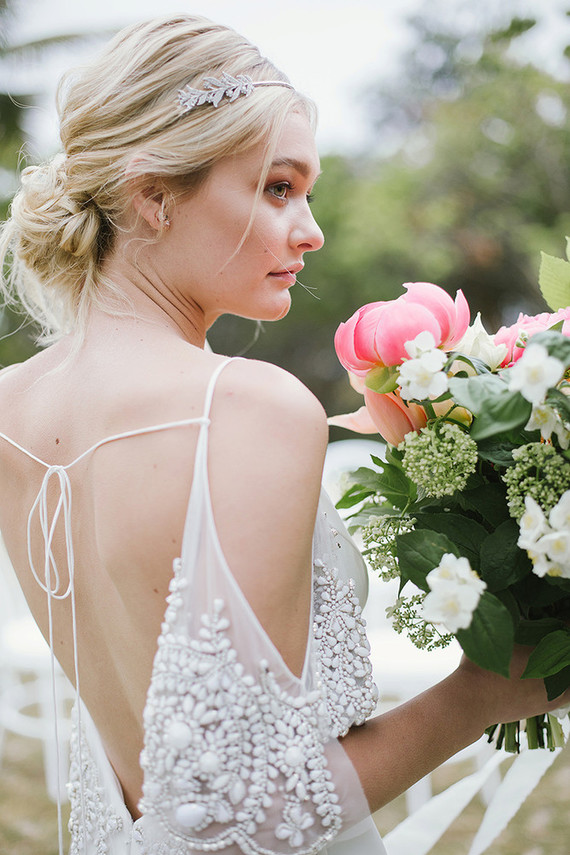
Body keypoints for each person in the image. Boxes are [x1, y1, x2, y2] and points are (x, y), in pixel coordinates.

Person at [0, 14, 566, 855]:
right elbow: (245, 817)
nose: (311, 229)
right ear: (154, 196)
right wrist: (482, 693)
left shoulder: (11, 407)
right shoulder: (246, 408)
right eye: (276, 188)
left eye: (306, 192)